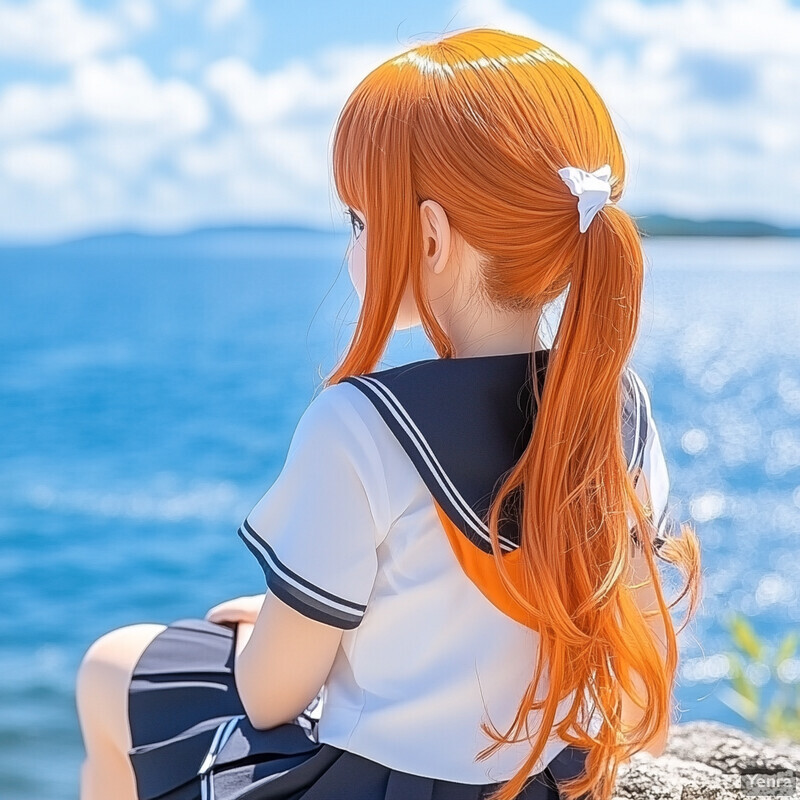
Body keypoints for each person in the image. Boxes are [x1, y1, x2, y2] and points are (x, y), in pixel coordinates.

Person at [75, 27, 702, 800]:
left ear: (431, 237)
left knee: (111, 665)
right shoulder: (618, 406)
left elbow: (271, 695)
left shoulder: (362, 427)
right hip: (546, 778)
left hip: (374, 785)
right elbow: (641, 689)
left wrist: (268, 634)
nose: (355, 245)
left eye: (360, 221)